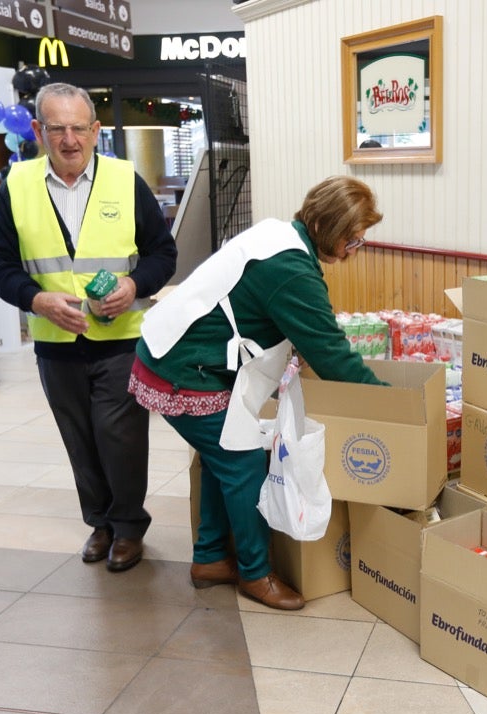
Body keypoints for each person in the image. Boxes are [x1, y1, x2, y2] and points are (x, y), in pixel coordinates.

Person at [131, 175, 386, 610]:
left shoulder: (279, 235)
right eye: (353, 241)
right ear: (330, 229)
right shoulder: (290, 269)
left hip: (174, 355)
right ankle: (255, 573)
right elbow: (333, 357)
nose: (351, 252)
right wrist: (391, 405)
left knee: (221, 457)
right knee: (243, 459)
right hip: (182, 370)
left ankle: (210, 558)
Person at [0, 83, 177, 573]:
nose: (70, 139)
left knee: (121, 437)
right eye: (57, 128)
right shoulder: (18, 184)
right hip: (55, 344)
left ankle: (129, 527)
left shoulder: (124, 179)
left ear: (95, 131)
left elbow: (163, 255)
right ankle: (101, 523)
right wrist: (36, 299)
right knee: (79, 438)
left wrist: (133, 286)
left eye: (78, 128)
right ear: (39, 132)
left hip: (120, 340)